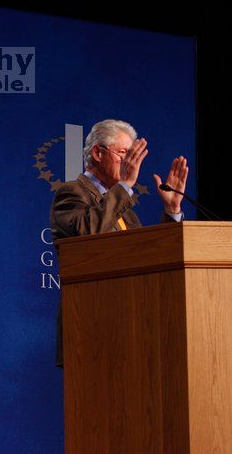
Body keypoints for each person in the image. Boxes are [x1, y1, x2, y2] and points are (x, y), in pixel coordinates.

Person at [50, 119, 189, 367]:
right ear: (98, 153)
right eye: (123, 154)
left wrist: (171, 210)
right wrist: (125, 186)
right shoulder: (72, 193)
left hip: (132, 322)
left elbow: (149, 256)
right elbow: (87, 234)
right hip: (91, 326)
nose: (128, 162)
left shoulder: (123, 208)